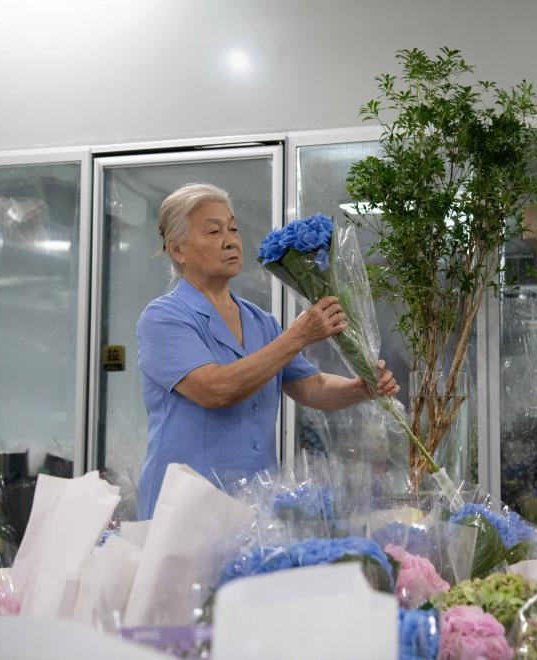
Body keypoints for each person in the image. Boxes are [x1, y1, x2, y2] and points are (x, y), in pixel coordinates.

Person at [135, 183, 398, 518]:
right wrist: (297, 336)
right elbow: (215, 390)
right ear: (178, 250)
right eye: (214, 231)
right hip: (185, 505)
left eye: (233, 229)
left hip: (254, 500)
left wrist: (361, 388)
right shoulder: (164, 318)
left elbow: (311, 386)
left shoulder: (259, 321)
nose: (230, 240)